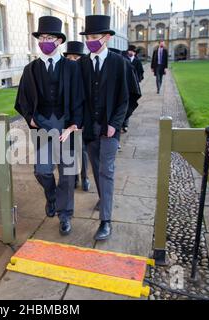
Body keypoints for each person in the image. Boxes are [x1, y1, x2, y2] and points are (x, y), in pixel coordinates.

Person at [15, 16, 84, 236]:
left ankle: (65, 215)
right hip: (43, 127)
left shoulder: (72, 68)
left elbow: (79, 99)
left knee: (67, 173)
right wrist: (30, 119)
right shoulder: (30, 69)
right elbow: (22, 100)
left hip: (66, 126)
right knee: (42, 171)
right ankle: (51, 196)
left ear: (59, 41)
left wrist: (73, 125)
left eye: (50, 37)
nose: (46, 40)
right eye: (42, 37)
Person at [78, 15, 129, 241]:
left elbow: (126, 98)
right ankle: (103, 197)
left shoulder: (119, 64)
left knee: (106, 171)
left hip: (109, 128)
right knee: (96, 168)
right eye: (88, 37)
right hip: (90, 129)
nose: (91, 41)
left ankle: (106, 221)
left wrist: (115, 123)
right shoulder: (81, 64)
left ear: (106, 37)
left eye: (95, 37)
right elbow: (76, 97)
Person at [63, 41, 90, 192]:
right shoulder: (64, 73)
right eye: (70, 57)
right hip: (67, 119)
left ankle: (85, 177)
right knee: (70, 149)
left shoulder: (86, 73)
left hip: (83, 118)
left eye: (76, 57)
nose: (72, 60)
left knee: (82, 149)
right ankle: (73, 177)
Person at [121, 44, 143, 133]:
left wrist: (137, 80)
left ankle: (125, 124)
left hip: (133, 84)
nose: (131, 52)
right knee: (124, 104)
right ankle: (123, 123)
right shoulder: (123, 59)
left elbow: (141, 72)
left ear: (134, 53)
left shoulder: (137, 61)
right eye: (130, 51)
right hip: (125, 85)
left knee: (129, 104)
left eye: (133, 51)